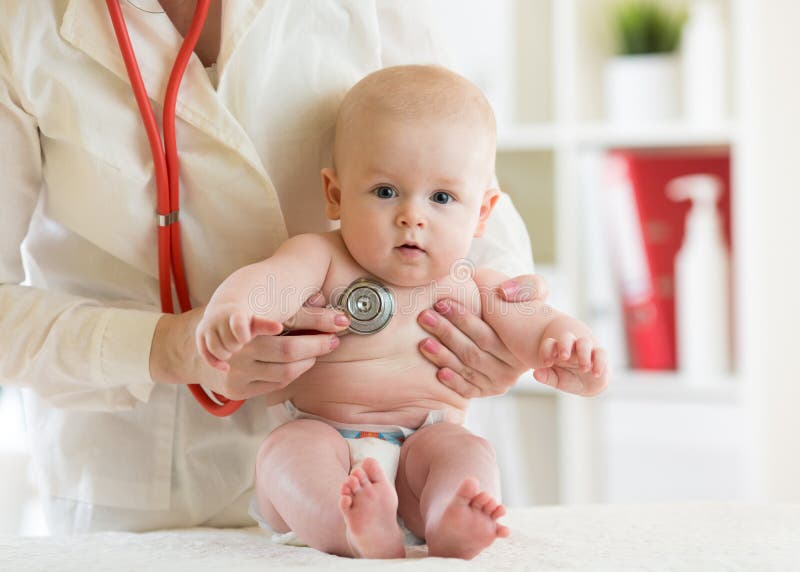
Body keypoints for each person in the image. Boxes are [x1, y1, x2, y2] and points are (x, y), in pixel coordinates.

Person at [0, 1, 546, 534]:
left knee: (452, 482)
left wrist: (505, 335)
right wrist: (169, 346)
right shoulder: (19, 21)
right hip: (137, 472)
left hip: (406, 438)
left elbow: (461, 169)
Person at [196, 65, 609, 559]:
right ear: (336, 193)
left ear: (481, 213)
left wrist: (568, 342)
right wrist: (234, 310)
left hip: (424, 443)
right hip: (320, 432)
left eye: (441, 197)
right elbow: (269, 281)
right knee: (285, 454)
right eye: (386, 191)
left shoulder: (471, 281)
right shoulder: (320, 257)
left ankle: (447, 516)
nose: (412, 215)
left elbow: (536, 320)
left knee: (466, 451)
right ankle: (348, 527)